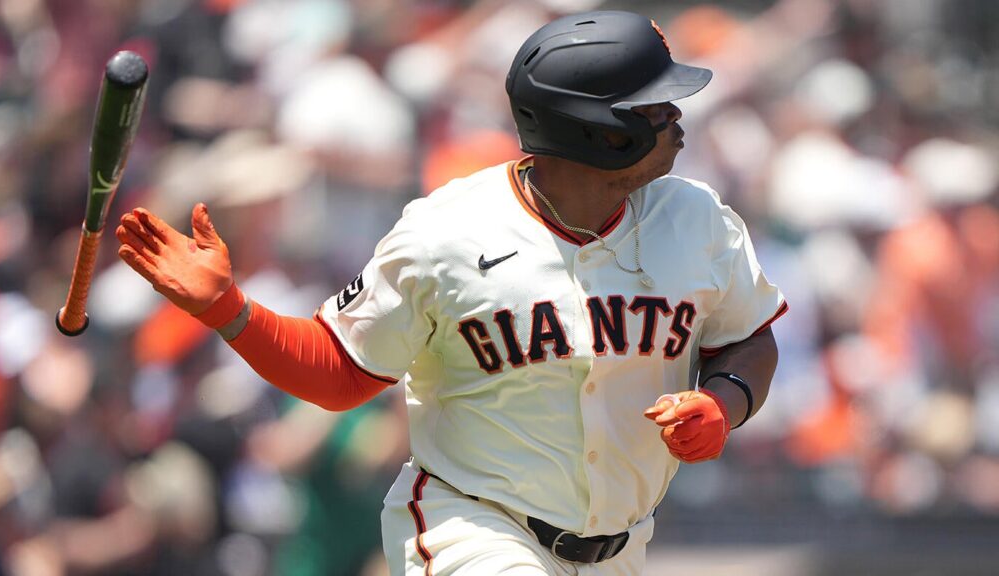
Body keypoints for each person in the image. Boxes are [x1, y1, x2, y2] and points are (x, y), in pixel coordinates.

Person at [115, 10, 786, 575]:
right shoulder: (447, 233)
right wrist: (229, 311)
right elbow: (339, 372)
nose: (676, 117)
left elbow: (749, 338)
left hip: (620, 547)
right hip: (472, 526)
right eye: (655, 107)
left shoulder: (696, 218)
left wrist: (724, 402)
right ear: (602, 133)